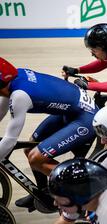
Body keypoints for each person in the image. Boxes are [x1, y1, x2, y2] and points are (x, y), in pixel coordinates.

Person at [0, 57, 98, 212]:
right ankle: (44, 193)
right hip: (72, 110)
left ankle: (82, 195)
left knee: (36, 158)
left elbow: (10, 140)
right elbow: (0, 111)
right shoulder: (14, 77)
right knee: (29, 146)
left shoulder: (19, 96)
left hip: (85, 117)